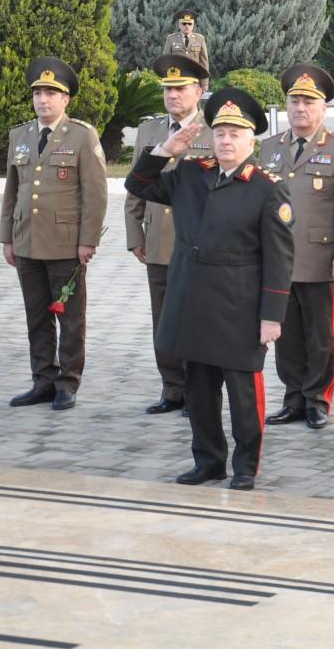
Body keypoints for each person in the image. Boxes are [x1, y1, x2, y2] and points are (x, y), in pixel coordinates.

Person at [124, 88, 294, 492]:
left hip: (238, 304)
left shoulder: (267, 189)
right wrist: (167, 149)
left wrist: (272, 316)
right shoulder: (190, 173)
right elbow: (139, 184)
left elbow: (280, 257)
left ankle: (246, 465)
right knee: (198, 391)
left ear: (252, 141)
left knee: (242, 394)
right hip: (193, 299)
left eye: (235, 134)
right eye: (220, 133)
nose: (226, 141)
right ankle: (208, 461)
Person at [1, 57, 108, 412]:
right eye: (38, 93)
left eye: (51, 93)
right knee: (36, 315)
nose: (43, 100)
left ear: (66, 100)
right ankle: (43, 379)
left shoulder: (81, 135)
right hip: (27, 239)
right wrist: (7, 237)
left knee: (70, 316)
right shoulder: (20, 135)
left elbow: (95, 193)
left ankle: (68, 382)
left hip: (65, 243)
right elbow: (12, 191)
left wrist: (88, 239)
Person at [259, 64, 334, 430]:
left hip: (322, 259)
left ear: (323, 108)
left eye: (308, 101)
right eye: (294, 100)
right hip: (280, 261)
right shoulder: (270, 148)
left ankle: (318, 399)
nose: (300, 108)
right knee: (287, 336)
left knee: (321, 335)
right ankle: (293, 398)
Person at [124, 54, 214, 415]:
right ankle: (172, 387)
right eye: (167, 89)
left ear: (199, 90)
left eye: (180, 88)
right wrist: (135, 233)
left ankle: (198, 391)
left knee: (196, 318)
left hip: (199, 244)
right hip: (159, 240)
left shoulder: (216, 129)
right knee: (163, 319)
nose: (172, 95)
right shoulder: (150, 131)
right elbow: (136, 184)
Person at [163, 8, 211, 75]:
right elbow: (165, 60)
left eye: (189, 24)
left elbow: (204, 62)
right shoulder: (171, 39)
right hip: (176, 77)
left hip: (194, 77)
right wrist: (167, 81)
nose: (187, 26)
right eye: (184, 23)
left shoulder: (200, 39)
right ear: (179, 25)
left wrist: (204, 84)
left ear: (193, 25)